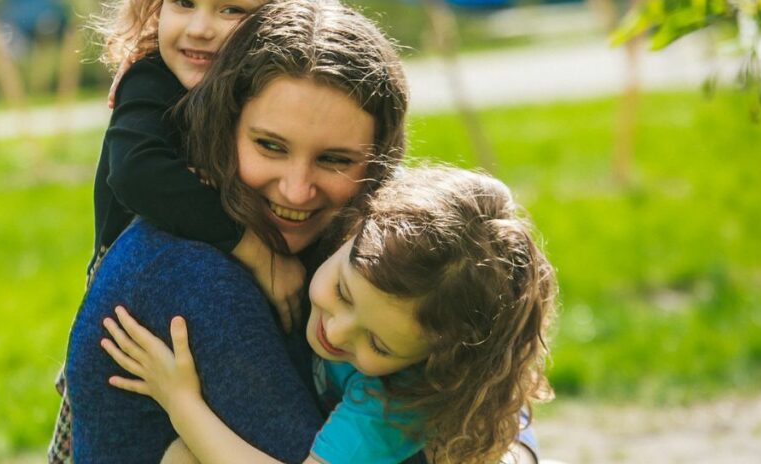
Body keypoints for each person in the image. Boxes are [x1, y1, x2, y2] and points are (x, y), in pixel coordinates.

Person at [66, 0, 409, 463]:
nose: (295, 190)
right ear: (223, 129)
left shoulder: (367, 248)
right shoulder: (185, 274)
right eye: (270, 146)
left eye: (334, 159)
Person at [48, 0, 332, 459]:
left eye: (231, 11)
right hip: (141, 307)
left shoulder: (269, 99)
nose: (200, 28)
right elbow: (138, 174)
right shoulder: (151, 82)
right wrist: (252, 250)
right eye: (183, 2)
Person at [101, 165, 558, 464]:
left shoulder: (394, 404)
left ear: (437, 359)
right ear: (356, 225)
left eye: (379, 344)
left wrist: (182, 402)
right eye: (342, 290)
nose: (336, 331)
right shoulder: (360, 234)